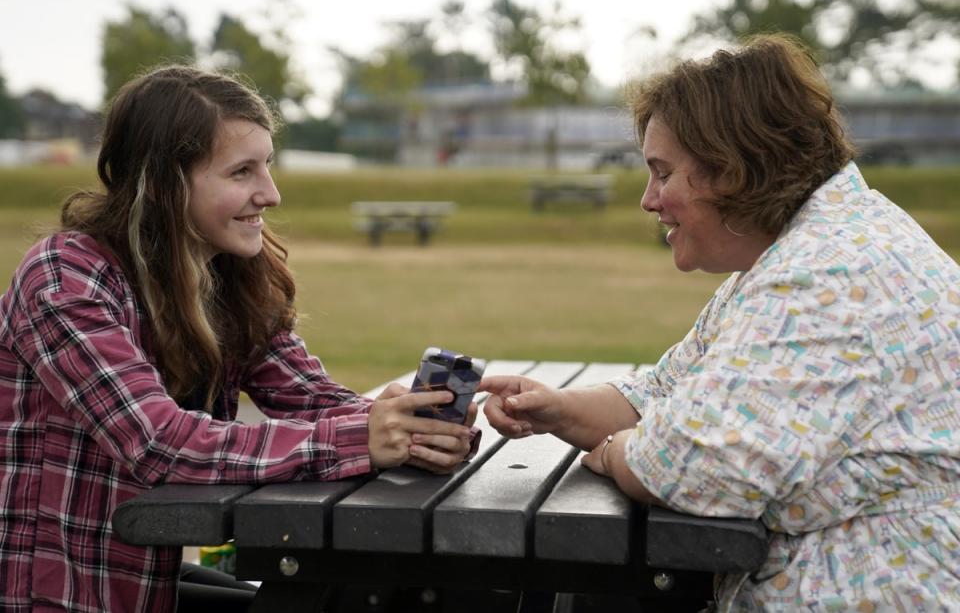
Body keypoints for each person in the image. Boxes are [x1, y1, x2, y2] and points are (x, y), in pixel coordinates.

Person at [481, 33, 960, 611]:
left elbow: (692, 469)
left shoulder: (827, 272)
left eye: (663, 173)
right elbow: (665, 393)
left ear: (731, 170)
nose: (648, 200)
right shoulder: (802, 251)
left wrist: (611, 451)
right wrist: (557, 409)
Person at [0, 65, 477, 613]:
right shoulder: (66, 277)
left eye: (267, 166)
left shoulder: (224, 276)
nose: (270, 194)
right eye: (241, 172)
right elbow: (157, 443)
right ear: (164, 183)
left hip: (145, 582)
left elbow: (314, 399)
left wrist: (413, 426)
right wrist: (362, 438)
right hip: (51, 594)